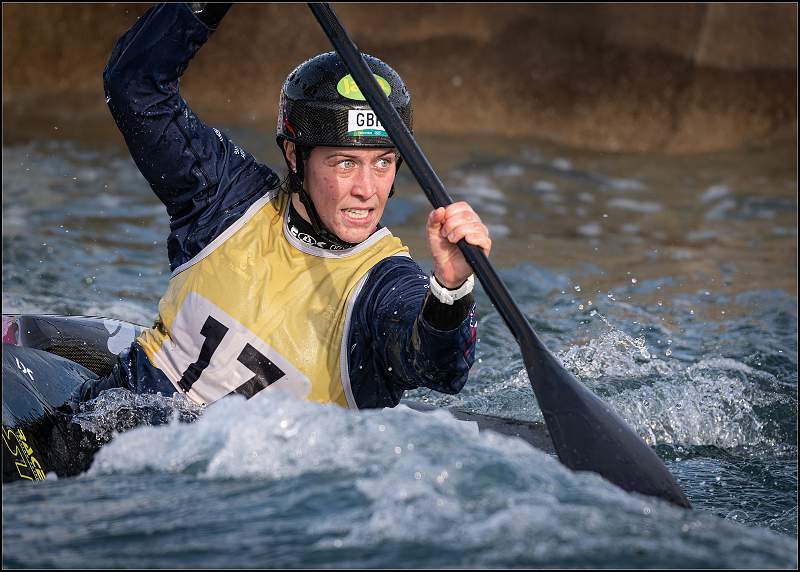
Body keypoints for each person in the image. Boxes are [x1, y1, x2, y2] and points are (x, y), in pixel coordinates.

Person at [74, 2, 491, 410]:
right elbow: (135, 86)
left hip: (214, 477)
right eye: (345, 163)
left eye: (382, 163)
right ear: (295, 156)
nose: (368, 189)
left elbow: (439, 371)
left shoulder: (383, 286)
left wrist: (451, 289)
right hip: (102, 430)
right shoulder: (225, 198)